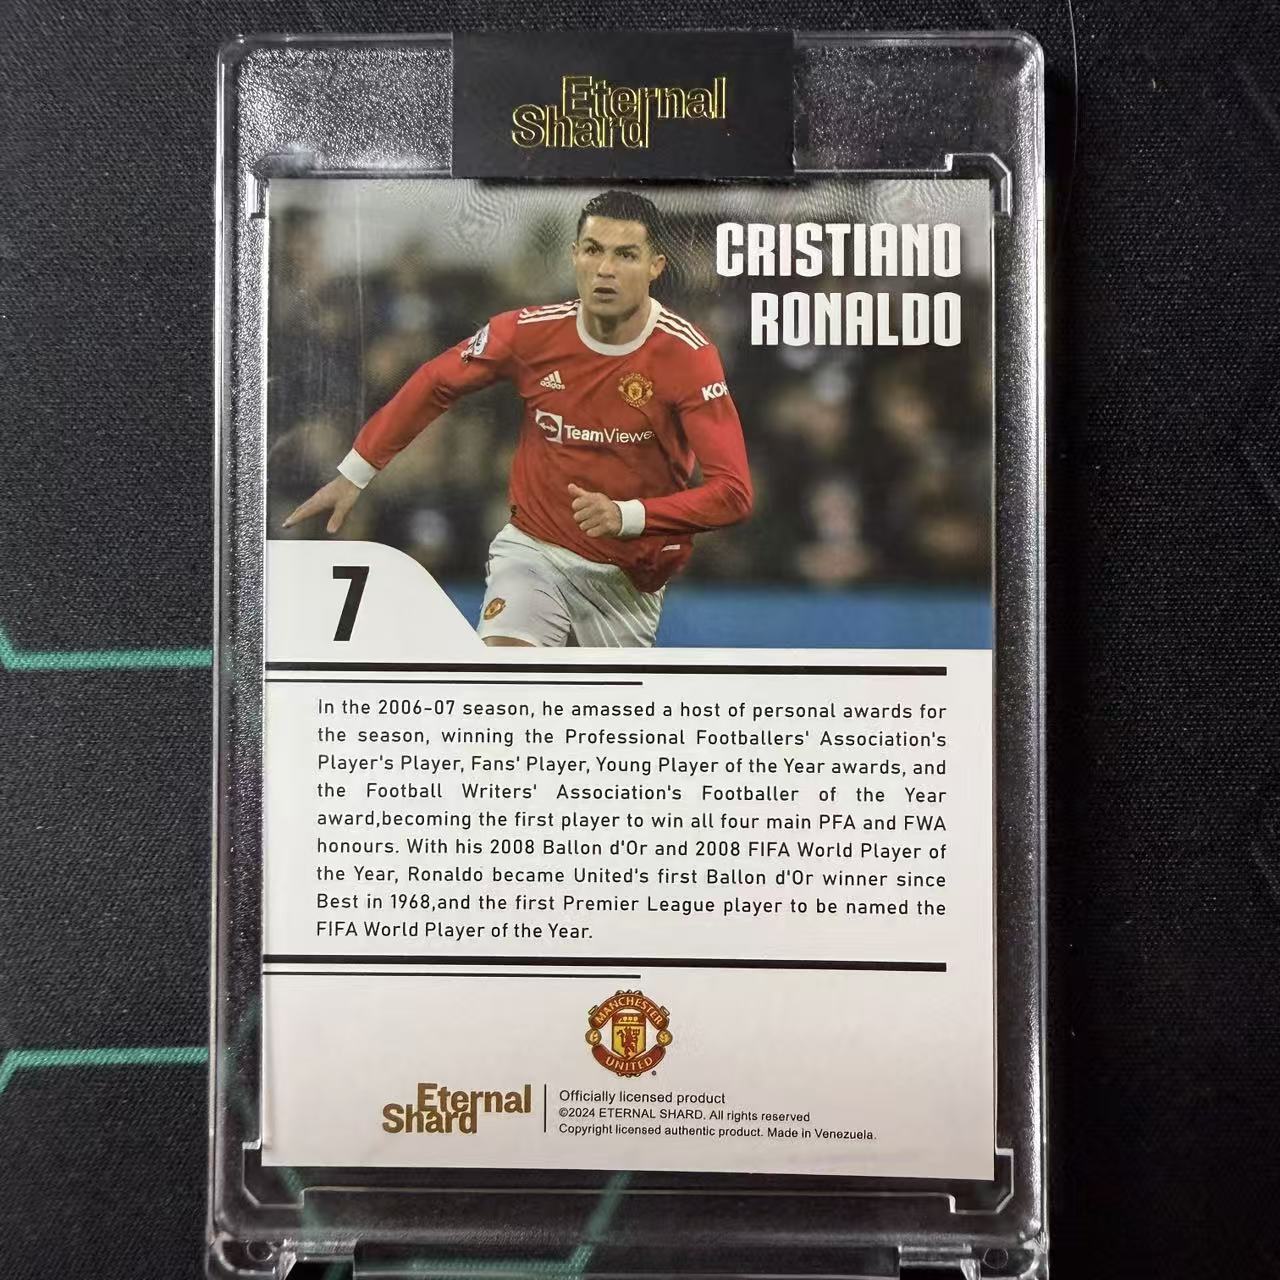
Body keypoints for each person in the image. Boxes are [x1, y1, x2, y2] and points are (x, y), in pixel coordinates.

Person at [284, 190, 753, 647]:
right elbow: (436, 382)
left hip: (628, 580)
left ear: (656, 266)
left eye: (626, 255)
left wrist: (626, 515)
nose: (605, 269)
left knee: (598, 704)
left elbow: (733, 494)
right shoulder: (529, 333)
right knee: (507, 674)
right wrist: (356, 472)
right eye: (593, 250)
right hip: (535, 553)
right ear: (574, 255)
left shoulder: (688, 356)